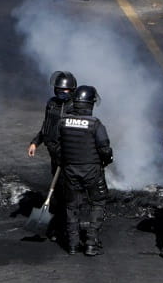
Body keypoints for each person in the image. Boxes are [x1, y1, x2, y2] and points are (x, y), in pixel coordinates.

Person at [44, 84, 112, 255]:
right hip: (92, 170)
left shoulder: (63, 121)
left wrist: (62, 159)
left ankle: (73, 244)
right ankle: (91, 243)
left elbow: (52, 143)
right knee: (98, 202)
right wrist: (106, 160)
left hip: (70, 171)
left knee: (72, 205)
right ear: (90, 104)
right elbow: (104, 148)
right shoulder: (95, 124)